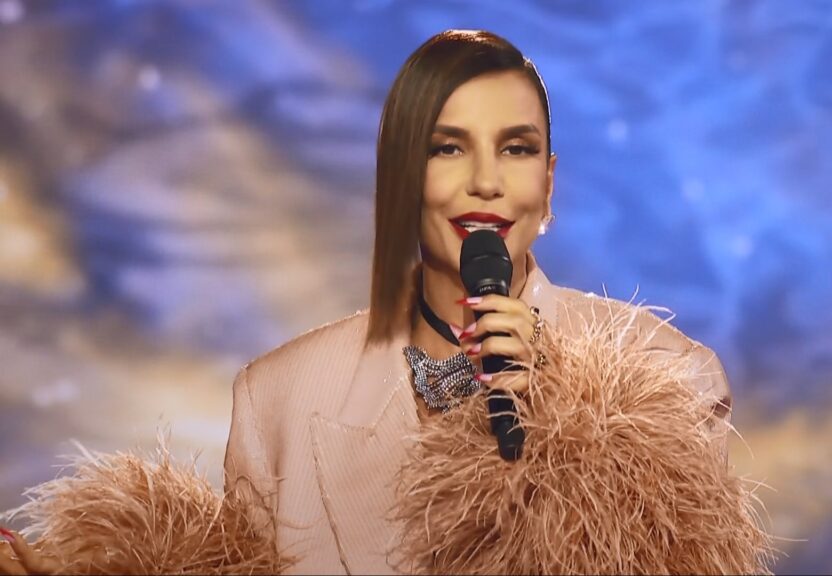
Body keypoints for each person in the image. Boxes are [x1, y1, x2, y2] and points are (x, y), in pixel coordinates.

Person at [0, 28, 732, 575]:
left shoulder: (670, 381)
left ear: (548, 185)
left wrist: (571, 429)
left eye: (516, 149)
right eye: (447, 148)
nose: (486, 181)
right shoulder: (279, 399)